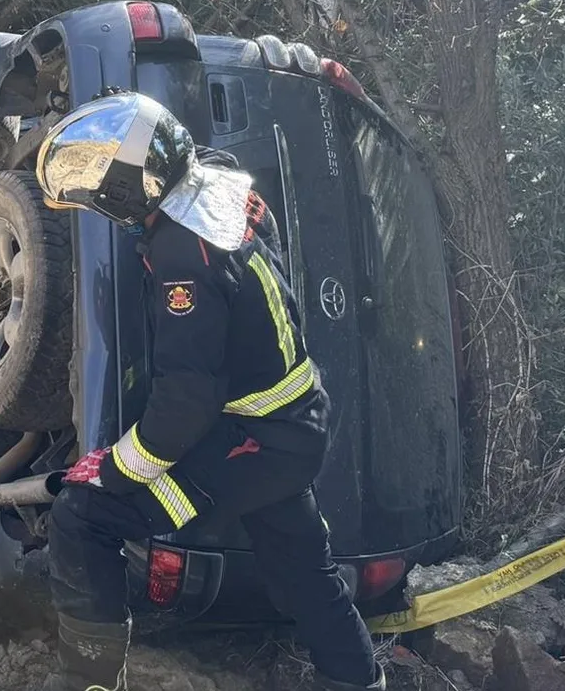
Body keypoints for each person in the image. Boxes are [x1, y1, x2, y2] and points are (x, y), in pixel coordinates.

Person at [31, 90, 383, 691]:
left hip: (252, 443)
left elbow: (185, 401)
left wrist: (114, 469)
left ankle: (88, 681)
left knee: (83, 516)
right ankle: (358, 681)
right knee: (301, 572)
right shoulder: (219, 186)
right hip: (292, 428)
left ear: (125, 190)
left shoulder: (182, 254)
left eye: (97, 189)